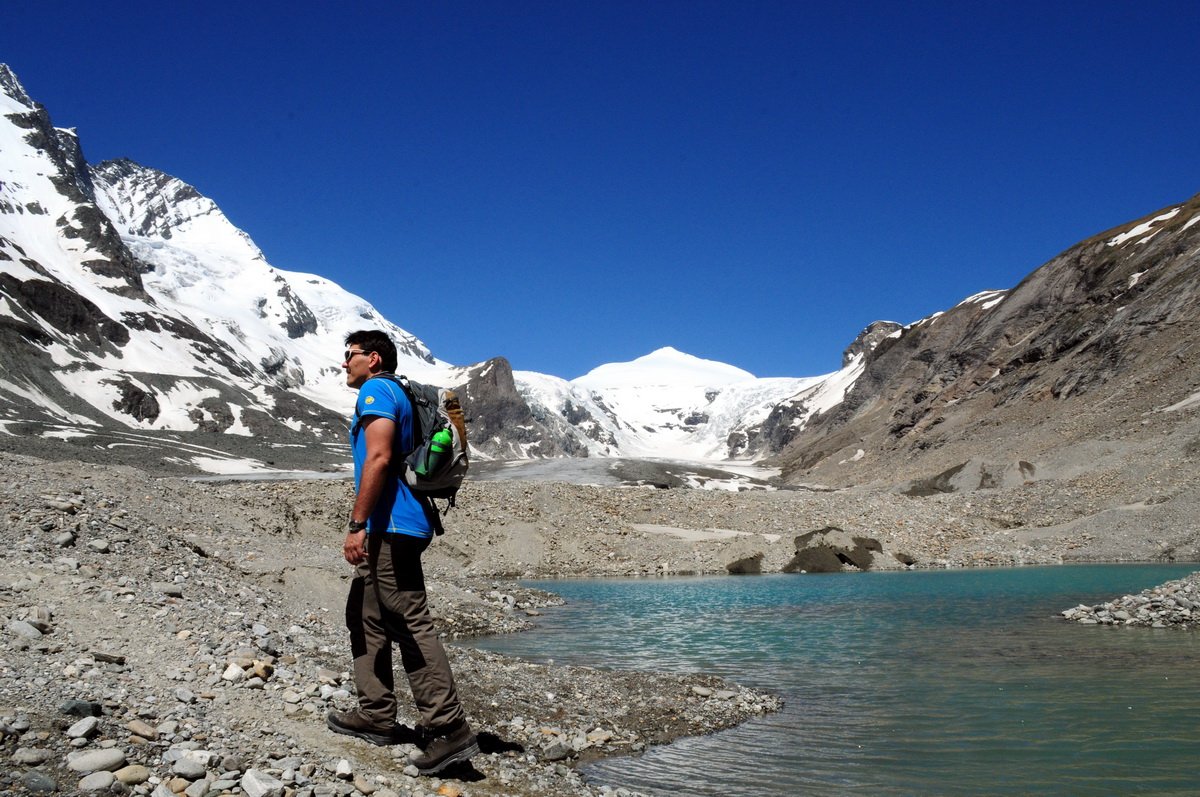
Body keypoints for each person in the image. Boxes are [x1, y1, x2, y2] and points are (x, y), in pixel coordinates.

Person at [326, 329, 478, 775]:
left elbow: (378, 458)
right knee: (365, 613)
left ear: (373, 359)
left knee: (409, 621)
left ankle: (449, 730)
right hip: (399, 523)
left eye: (349, 355)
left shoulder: (376, 389)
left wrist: (357, 524)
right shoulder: (403, 391)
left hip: (391, 525)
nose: (344, 363)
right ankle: (375, 714)